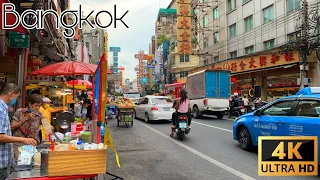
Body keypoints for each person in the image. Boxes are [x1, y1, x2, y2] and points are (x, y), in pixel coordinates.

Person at [0, 84, 37, 179]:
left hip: (5, 162)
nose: (15, 100)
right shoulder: (1, 110)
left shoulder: (3, 109)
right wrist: (23, 140)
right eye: (16, 97)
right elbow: (1, 136)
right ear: (11, 94)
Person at [11, 94, 53, 160]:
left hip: (32, 146)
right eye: (36, 105)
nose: (38, 108)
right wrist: (25, 118)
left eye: (39, 106)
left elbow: (47, 128)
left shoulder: (39, 114)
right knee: (19, 164)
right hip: (18, 145)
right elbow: (12, 127)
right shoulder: (19, 112)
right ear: (30, 104)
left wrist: (48, 126)